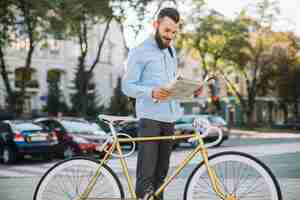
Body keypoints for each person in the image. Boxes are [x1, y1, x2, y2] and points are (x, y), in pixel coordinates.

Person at [122, 7, 202, 200]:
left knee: (161, 177)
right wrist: (151, 92)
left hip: (169, 118)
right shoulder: (139, 51)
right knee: (146, 177)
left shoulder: (171, 51)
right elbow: (127, 86)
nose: (170, 36)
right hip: (149, 119)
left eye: (174, 32)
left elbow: (172, 86)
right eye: (167, 31)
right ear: (156, 25)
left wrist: (191, 90)